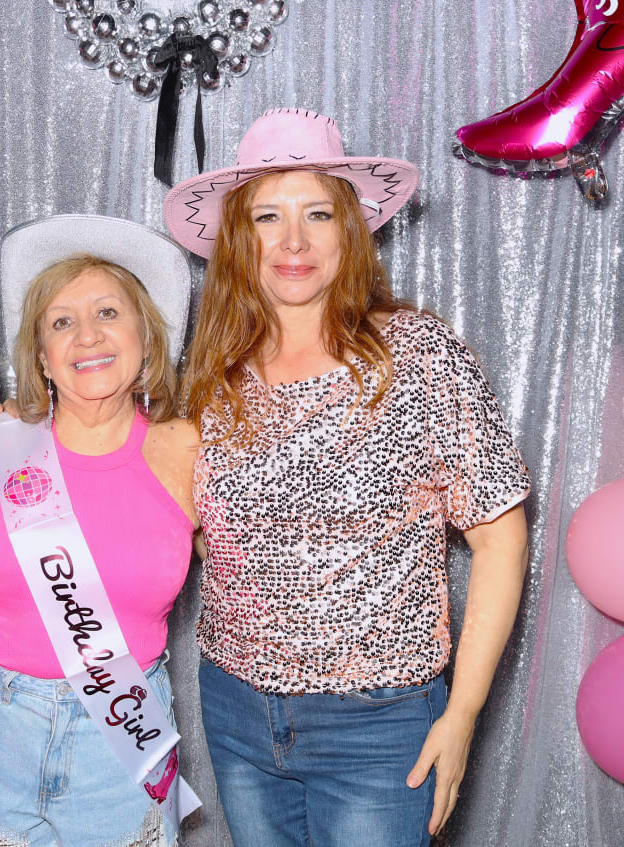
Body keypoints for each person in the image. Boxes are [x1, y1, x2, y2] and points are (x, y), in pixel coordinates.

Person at [163, 108, 531, 847]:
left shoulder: (418, 355)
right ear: (238, 238)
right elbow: (202, 527)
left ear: (350, 231)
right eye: (267, 216)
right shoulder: (214, 371)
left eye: (318, 214)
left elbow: (500, 539)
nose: (293, 241)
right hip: (235, 711)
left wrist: (461, 716)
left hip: (379, 727)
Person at [0, 215, 199, 847]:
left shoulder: (186, 448)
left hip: (121, 737)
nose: (87, 335)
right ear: (41, 355)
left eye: (108, 313)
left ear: (147, 336)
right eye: (61, 322)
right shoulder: (0, 441)